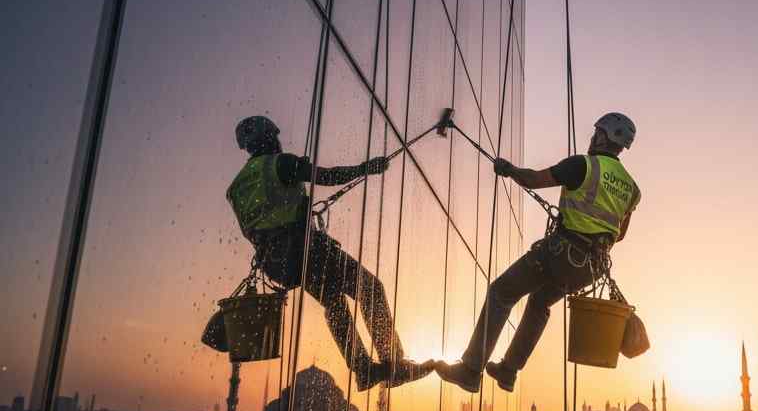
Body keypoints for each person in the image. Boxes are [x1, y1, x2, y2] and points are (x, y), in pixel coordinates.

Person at [435, 113, 639, 393]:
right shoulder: (632, 189)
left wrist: (510, 170)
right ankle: (508, 371)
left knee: (502, 292)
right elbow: (620, 233)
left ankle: (470, 370)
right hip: (589, 268)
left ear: (604, 137)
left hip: (560, 253)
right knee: (540, 303)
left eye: (597, 133)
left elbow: (533, 179)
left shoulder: (584, 165)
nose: (592, 138)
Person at [227, 115, 434, 390]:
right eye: (275, 137)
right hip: (307, 250)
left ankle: (363, 370)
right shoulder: (278, 164)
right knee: (370, 288)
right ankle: (394, 363)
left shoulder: (236, 188)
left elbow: (255, 227)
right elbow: (325, 176)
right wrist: (365, 168)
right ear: (268, 138)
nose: (278, 142)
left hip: (279, 264)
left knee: (334, 302)